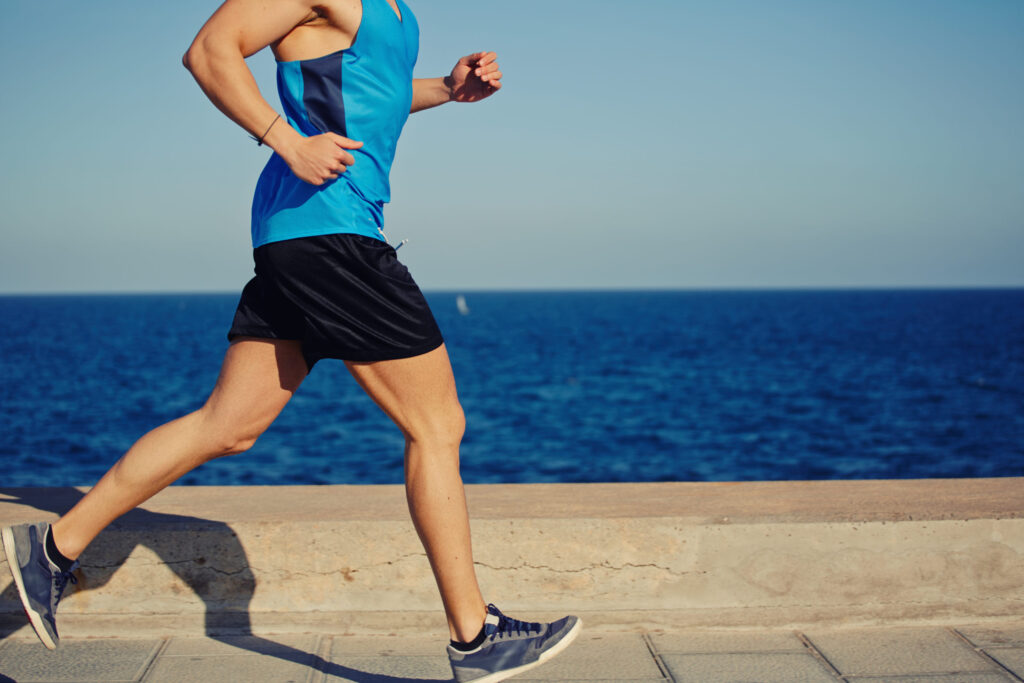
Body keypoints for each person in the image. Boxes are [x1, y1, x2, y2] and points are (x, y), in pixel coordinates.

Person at [1, 1, 581, 680]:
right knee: (436, 424)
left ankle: (52, 552)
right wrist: (286, 139)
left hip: (304, 235)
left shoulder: (397, 13)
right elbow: (210, 49)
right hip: (331, 234)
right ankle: (475, 635)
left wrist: (449, 90)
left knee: (228, 425)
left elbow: (372, 95)